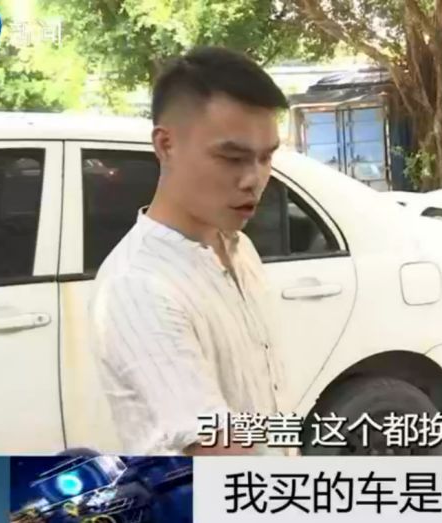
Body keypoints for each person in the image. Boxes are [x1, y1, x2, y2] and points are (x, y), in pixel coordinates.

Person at [88, 46, 290, 456]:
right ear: (166, 145)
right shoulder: (138, 285)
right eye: (232, 157)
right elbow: (218, 451)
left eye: (266, 157)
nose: (254, 179)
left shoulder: (239, 247)